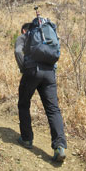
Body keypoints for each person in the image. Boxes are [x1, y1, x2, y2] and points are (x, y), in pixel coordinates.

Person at [15, 18, 67, 162]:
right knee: (53, 109)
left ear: (25, 30)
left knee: (24, 104)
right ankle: (60, 146)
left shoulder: (25, 35)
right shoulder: (48, 36)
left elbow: (18, 51)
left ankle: (26, 139)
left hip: (32, 71)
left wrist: (23, 68)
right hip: (49, 74)